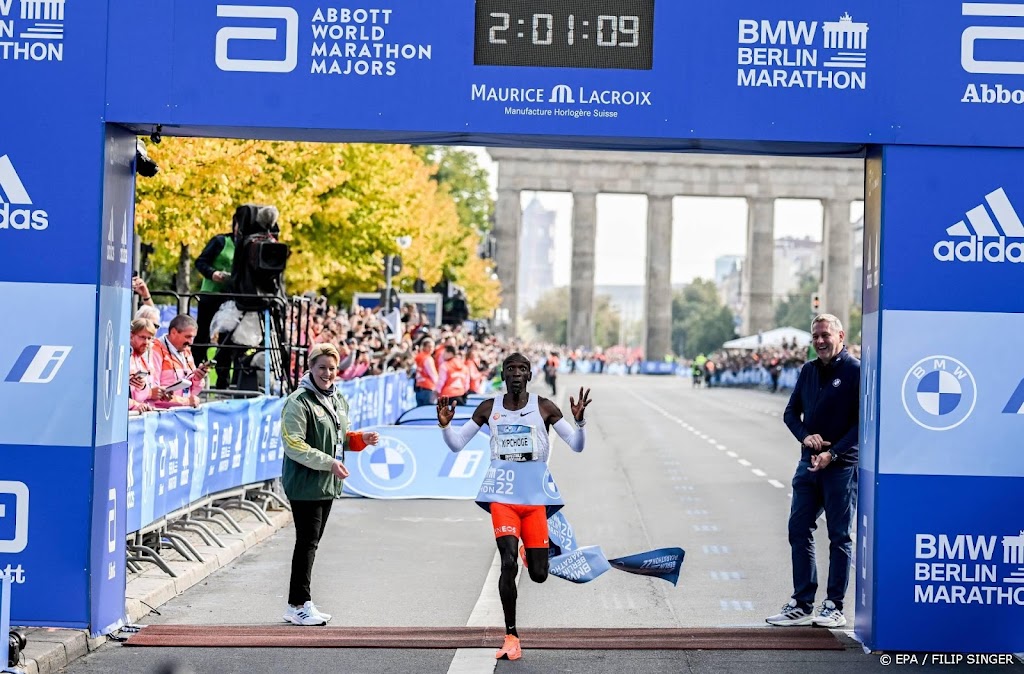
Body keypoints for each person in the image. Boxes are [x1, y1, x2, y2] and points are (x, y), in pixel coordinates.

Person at [437, 353, 592, 661]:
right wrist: (445, 426)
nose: (517, 373)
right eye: (511, 369)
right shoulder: (488, 408)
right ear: (504, 375)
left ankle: (530, 551)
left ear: (530, 375)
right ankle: (511, 635)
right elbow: (457, 444)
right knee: (507, 562)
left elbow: (576, 445)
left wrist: (580, 421)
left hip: (534, 500)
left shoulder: (545, 406)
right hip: (503, 495)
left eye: (522, 369)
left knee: (538, 574)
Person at [767, 314, 859, 629]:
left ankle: (834, 605)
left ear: (841, 335)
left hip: (841, 466)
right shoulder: (808, 370)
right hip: (808, 464)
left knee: (839, 536)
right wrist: (805, 436)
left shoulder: (855, 371)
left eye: (825, 335)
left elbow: (863, 424)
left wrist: (833, 453)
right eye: (815, 336)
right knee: (798, 528)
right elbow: (791, 412)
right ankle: (802, 603)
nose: (820, 341)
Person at [280, 342, 380, 626]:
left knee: (311, 543)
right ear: (310, 368)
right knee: (307, 543)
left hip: (328, 482)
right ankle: (299, 603)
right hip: (305, 482)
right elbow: (293, 444)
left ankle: (298, 602)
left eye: (332, 368)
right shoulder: (298, 401)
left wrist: (361, 439)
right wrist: (329, 462)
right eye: (321, 367)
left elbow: (340, 436)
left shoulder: (337, 398)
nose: (327, 373)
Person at [193, 206, 246, 386]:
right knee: (202, 336)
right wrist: (212, 273)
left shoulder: (248, 247)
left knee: (227, 339)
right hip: (211, 294)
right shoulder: (220, 241)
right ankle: (194, 376)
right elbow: (200, 262)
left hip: (232, 298)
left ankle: (223, 381)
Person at [151, 315, 212, 407]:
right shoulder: (156, 349)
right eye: (187, 337)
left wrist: (198, 378)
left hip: (182, 413)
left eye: (193, 337)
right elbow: (154, 393)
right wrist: (186, 401)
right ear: (173, 332)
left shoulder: (186, 350)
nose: (191, 342)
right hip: (162, 415)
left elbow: (194, 391)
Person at [413, 337, 439, 406]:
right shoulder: (428, 359)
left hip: (419, 388)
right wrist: (438, 387)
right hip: (428, 389)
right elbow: (433, 374)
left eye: (433, 347)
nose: (431, 349)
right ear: (424, 347)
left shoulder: (417, 357)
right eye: (429, 346)